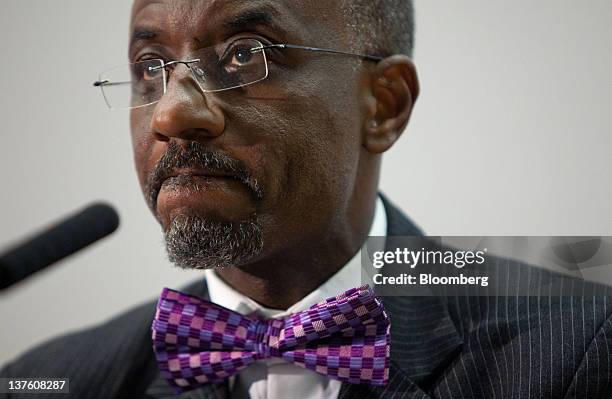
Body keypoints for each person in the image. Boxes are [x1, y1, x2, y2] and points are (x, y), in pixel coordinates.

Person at [2, 1, 611, 398]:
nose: (171, 111)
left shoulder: (578, 349)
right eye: (151, 66)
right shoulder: (54, 379)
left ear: (385, 104)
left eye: (245, 54)